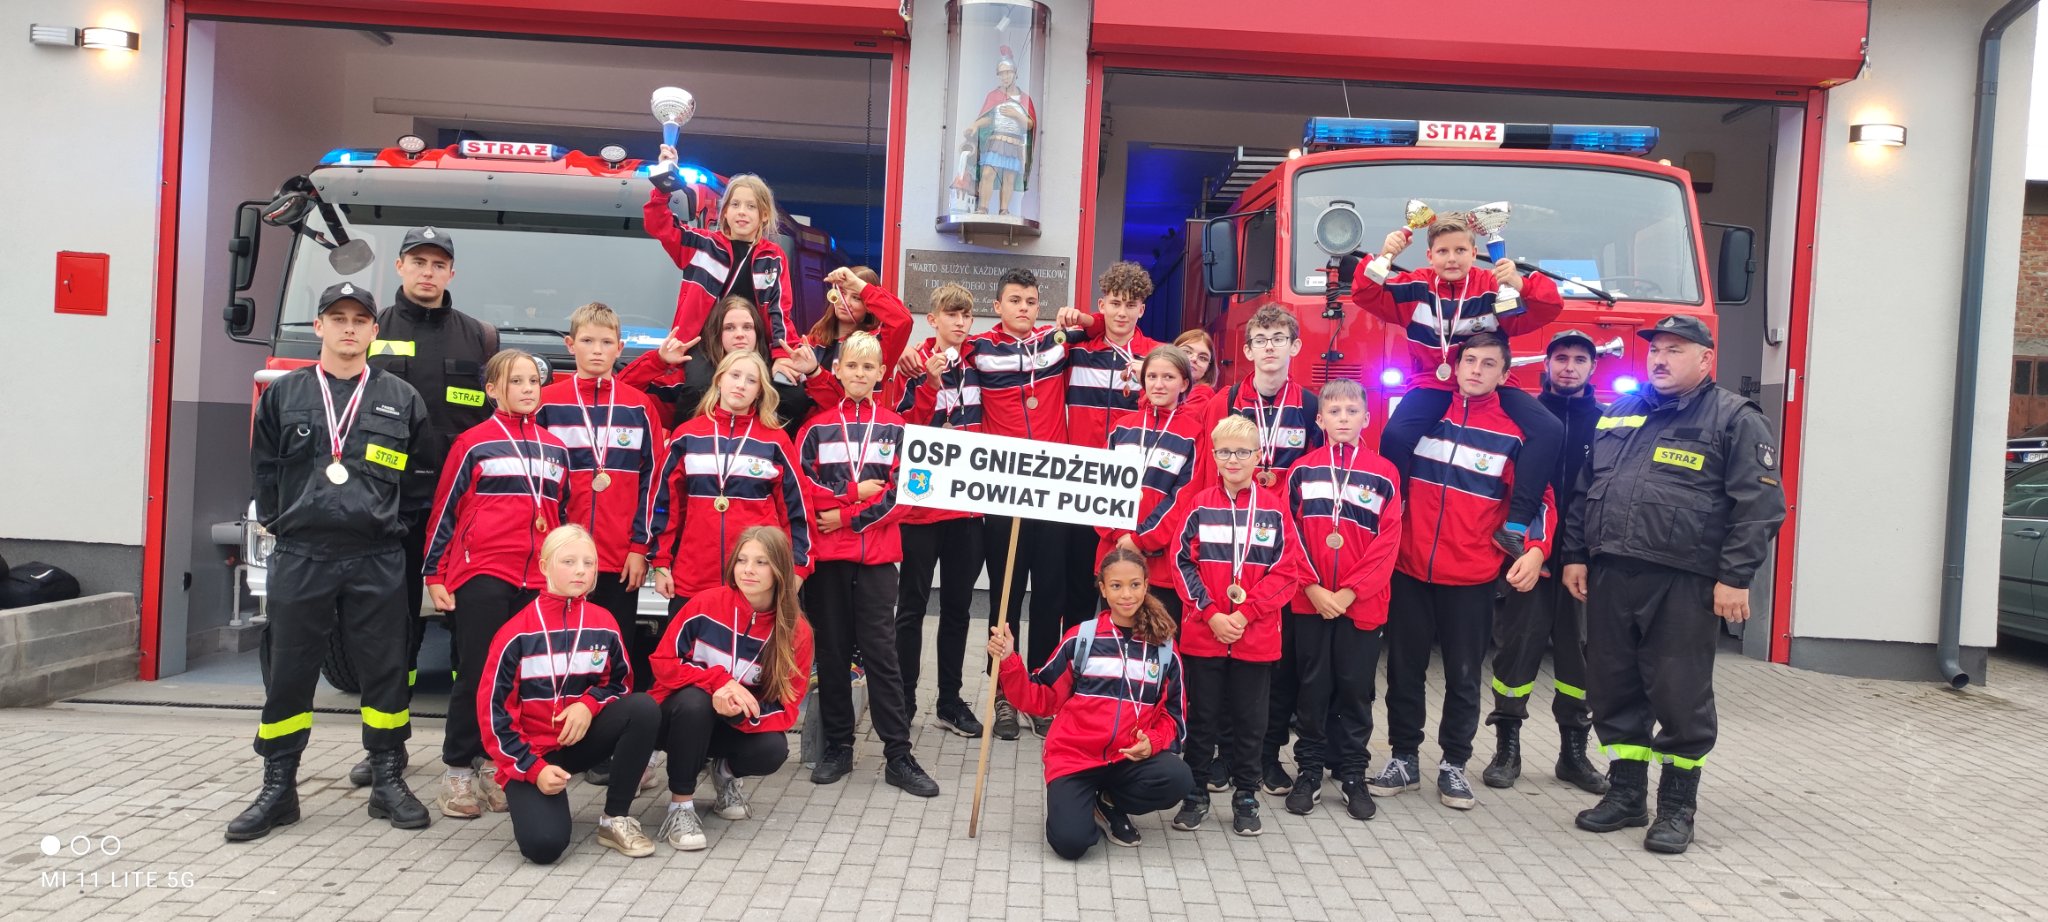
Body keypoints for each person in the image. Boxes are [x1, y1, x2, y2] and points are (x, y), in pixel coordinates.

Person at [1560, 315, 1786, 855]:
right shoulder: (1620, 410)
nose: (1659, 359)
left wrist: (1735, 578)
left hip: (1684, 580)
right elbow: (1587, 488)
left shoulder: (1735, 418)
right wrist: (1575, 555)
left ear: (1706, 359)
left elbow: (1759, 507)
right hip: (1612, 573)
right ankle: (1627, 795)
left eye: (1675, 350)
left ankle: (1677, 808)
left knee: (1678, 692)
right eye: (1655, 350)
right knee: (1612, 686)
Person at [228, 282, 433, 842]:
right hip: (303, 554)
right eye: (337, 318)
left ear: (374, 331)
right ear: (319, 326)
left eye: (359, 320)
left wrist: (390, 525)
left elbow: (420, 477)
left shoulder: (400, 397)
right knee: (289, 670)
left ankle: (387, 778)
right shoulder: (285, 394)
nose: (348, 328)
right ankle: (278, 787)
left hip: (376, 555)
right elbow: (264, 469)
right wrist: (287, 522)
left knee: (385, 668)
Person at [1368, 332, 1555, 813]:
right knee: (1404, 671)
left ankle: (1454, 764)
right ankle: (1404, 758)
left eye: (1488, 363)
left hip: (1471, 576)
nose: (1476, 370)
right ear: (1456, 366)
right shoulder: (1426, 415)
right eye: (1469, 360)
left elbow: (1538, 500)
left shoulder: (1515, 432)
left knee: (1464, 677)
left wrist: (1536, 550)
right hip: (1410, 568)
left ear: (1504, 375)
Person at [359, 225, 498, 789]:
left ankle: (473, 748)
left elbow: (493, 420)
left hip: (464, 513)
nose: (427, 272)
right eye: (418, 261)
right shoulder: (373, 330)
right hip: (392, 508)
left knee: (472, 634)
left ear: (451, 273)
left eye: (438, 264)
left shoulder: (481, 337)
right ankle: (386, 749)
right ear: (399, 266)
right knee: (393, 634)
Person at [1354, 214, 1564, 557]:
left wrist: (1520, 283)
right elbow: (1364, 293)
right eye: (1443, 251)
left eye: (1460, 250)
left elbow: (1548, 308)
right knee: (1394, 436)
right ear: (1429, 256)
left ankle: (1515, 527)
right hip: (1433, 383)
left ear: (1474, 252)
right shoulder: (1415, 286)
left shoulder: (1493, 286)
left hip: (1491, 386)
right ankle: (1395, 511)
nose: (1451, 259)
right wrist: (1386, 255)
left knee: (1549, 429)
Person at [422, 349, 572, 818]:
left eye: (533, 381)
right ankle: (457, 771)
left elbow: (561, 517)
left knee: (519, 679)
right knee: (476, 674)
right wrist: (434, 573)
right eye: (516, 381)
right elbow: (445, 510)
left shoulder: (555, 449)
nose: (527, 389)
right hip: (483, 572)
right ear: (492, 390)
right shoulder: (473, 443)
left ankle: (495, 765)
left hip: (537, 580)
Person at [796, 331, 940, 796]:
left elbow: (903, 494)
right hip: (829, 561)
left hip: (877, 558)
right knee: (833, 653)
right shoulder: (815, 428)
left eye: (868, 367)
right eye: (851, 366)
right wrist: (851, 494)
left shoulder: (896, 427)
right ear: (837, 370)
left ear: (881, 373)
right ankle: (838, 746)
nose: (859, 374)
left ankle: (898, 754)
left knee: (882, 655)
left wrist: (845, 517)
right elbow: (804, 489)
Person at [990, 548, 1193, 859]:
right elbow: (1041, 698)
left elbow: (1174, 718)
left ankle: (1109, 801)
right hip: (1076, 759)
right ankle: (1081, 804)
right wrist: (1009, 661)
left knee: (1178, 778)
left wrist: (1152, 742)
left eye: (1135, 585)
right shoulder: (1081, 639)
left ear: (1146, 585)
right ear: (1103, 588)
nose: (1127, 594)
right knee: (1071, 843)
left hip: (1127, 759)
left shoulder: (1164, 648)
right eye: (1116, 586)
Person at [1196, 304, 1322, 797]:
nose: (1270, 347)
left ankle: (1266, 755)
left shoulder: (1309, 406)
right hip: (1230, 547)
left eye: (1279, 338)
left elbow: (1318, 478)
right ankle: (1225, 754)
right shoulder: (1226, 400)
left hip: (1284, 552)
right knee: (1228, 653)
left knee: (1275, 663)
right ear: (1247, 350)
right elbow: (1206, 474)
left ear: (1295, 346)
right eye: (1261, 340)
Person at [1169, 415, 1315, 837]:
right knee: (1202, 718)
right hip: (1205, 633)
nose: (1233, 460)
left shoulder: (1274, 509)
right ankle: (1195, 792)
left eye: (1242, 452)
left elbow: (1286, 572)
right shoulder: (1199, 504)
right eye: (1225, 452)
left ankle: (1246, 795)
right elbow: (1181, 562)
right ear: (1214, 456)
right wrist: (1211, 613)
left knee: (1252, 721)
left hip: (1255, 636)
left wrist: (1245, 613)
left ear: (1258, 457)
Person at [479, 525, 659, 863]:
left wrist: (588, 705)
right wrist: (534, 769)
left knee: (643, 708)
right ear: (544, 566)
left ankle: (615, 819)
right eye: (568, 561)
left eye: (589, 563)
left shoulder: (604, 622)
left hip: (580, 741)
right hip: (533, 753)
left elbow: (620, 684)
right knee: (544, 846)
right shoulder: (515, 633)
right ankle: (533, 794)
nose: (580, 571)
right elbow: (494, 717)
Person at [1483, 329, 1609, 794]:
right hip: (1526, 555)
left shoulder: (1608, 422)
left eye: (1579, 359)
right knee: (1516, 648)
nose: (1569, 367)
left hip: (1582, 560)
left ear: (1593, 367)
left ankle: (1573, 755)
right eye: (1561, 358)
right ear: (1547, 364)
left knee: (1580, 656)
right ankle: (1507, 749)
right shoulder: (1525, 417)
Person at [963, 267, 1085, 740]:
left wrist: (1082, 317)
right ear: (997, 306)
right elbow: (941, 355)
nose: (1024, 308)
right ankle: (1001, 693)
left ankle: (1040, 692)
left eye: (1031, 301)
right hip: (1004, 490)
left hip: (1053, 491)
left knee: (1051, 595)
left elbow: (1105, 333)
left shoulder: (1057, 341)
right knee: (1005, 597)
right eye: (1014, 300)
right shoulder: (979, 348)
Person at [1275, 379, 1402, 821]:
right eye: (1334, 412)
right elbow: (1288, 533)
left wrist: (1350, 591)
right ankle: (1309, 771)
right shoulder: (1302, 470)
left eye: (1351, 411)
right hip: (1310, 601)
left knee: (1355, 689)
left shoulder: (1384, 472)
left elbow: (1388, 541)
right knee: (1312, 687)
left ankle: (1352, 774)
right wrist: (1312, 587)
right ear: (1320, 419)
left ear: (1366, 418)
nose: (1343, 419)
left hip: (1361, 603)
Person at [649, 526, 812, 851]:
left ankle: (724, 773)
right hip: (677, 719)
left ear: (780, 569)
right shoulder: (705, 604)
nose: (748, 569)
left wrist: (739, 713)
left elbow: (787, 708)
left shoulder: (797, 632)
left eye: (761, 562)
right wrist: (718, 682)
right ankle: (680, 807)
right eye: (742, 560)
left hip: (732, 724)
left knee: (773, 749)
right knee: (695, 702)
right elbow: (663, 662)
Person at [537, 304, 664, 686]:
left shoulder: (639, 406)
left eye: (606, 342)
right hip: (561, 554)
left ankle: (610, 714)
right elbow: (538, 483)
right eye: (587, 341)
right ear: (570, 344)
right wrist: (547, 544)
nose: (597, 350)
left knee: (612, 649)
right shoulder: (547, 403)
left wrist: (640, 548)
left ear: (620, 348)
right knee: (559, 648)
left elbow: (653, 481)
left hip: (618, 556)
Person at [888, 283, 988, 737]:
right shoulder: (911, 364)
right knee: (911, 607)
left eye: (966, 315)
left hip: (966, 508)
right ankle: (904, 699)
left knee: (959, 609)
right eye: (951, 314)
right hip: (922, 509)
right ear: (933, 319)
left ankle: (949, 701)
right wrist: (928, 383)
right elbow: (906, 427)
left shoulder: (979, 363)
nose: (960, 322)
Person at [646, 350, 811, 623]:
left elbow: (796, 509)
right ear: (719, 380)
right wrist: (661, 562)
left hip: (755, 580)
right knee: (686, 649)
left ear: (759, 391)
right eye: (735, 375)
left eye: (751, 380)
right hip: (694, 576)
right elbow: (664, 504)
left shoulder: (776, 441)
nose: (741, 385)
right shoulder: (687, 436)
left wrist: (799, 567)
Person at [1059, 261, 1162, 632]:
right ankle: (1076, 658)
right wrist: (1086, 322)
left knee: (1125, 590)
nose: (1122, 313)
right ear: (1102, 306)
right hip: (1080, 484)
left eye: (1131, 305)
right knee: (1076, 588)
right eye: (1115, 303)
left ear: (1142, 310)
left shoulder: (1156, 358)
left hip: (1129, 490)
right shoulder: (1076, 350)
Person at [643, 156, 798, 371]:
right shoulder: (702, 244)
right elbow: (659, 224)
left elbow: (779, 310)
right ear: (725, 212)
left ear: (764, 215)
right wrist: (664, 181)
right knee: (695, 387)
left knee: (791, 391)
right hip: (702, 347)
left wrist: (781, 355)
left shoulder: (774, 256)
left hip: (753, 347)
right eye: (735, 204)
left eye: (751, 206)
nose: (742, 211)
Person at [1098, 346, 1206, 614]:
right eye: (1152, 376)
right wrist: (1119, 534)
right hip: (1115, 553)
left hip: (1161, 564)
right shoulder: (1122, 427)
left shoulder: (1194, 433)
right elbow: (1100, 487)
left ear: (1184, 383)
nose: (1158, 384)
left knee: (1158, 635)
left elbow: (1183, 498)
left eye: (1168, 377)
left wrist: (1141, 539)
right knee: (1114, 635)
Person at [620, 295, 809, 435]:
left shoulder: (782, 375)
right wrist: (659, 360)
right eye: (729, 328)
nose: (740, 334)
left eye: (747, 327)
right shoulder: (690, 377)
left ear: (758, 333)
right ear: (717, 335)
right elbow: (619, 393)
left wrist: (814, 372)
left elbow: (820, 413)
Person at [791, 266, 913, 411]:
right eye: (842, 293)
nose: (845, 302)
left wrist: (859, 285)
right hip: (813, 424)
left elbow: (903, 320)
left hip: (860, 422)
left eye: (856, 297)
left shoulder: (876, 344)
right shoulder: (812, 341)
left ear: (869, 306)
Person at [965, 49, 1036, 216]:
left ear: (1015, 73)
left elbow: (1030, 124)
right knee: (988, 173)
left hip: (1014, 142)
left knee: (1009, 177)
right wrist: (975, 125)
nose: (1005, 77)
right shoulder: (993, 96)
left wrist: (1016, 115)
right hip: (996, 141)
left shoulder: (1024, 99)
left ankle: (1004, 210)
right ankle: (983, 207)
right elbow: (988, 118)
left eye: (1008, 72)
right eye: (1001, 73)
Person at [1173, 329, 1220, 404]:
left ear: (1208, 368)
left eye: (1203, 358)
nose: (1194, 359)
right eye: (1187, 351)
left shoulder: (1203, 395)